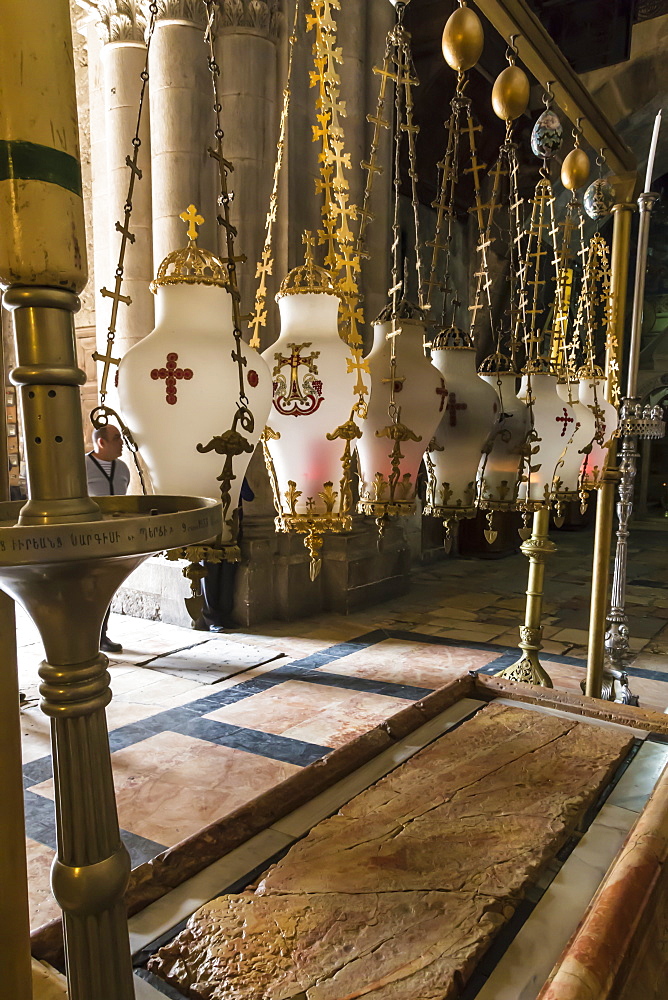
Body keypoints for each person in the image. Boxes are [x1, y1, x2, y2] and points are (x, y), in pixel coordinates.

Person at [85, 424, 130, 653]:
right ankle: (85, 636)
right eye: (116, 438)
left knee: (107, 588)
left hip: (114, 539)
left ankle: (101, 635)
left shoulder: (123, 468)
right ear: (101, 443)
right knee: (88, 589)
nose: (121, 442)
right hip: (88, 539)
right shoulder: (80, 467)